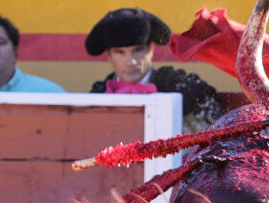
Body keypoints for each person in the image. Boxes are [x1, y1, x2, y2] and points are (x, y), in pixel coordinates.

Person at [86, 7, 223, 132]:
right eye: (120, 52)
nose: (130, 61)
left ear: (151, 48)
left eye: (138, 50)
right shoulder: (97, 96)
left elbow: (214, 138)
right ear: (109, 55)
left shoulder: (183, 88)